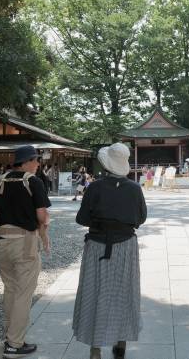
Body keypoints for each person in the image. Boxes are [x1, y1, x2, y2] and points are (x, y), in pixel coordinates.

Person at [72, 143, 147, 359]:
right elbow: (141, 218)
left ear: (106, 165)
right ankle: (121, 343)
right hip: (125, 245)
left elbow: (82, 218)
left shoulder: (95, 187)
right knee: (124, 292)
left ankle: (95, 349)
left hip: (97, 245)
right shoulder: (135, 188)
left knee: (95, 292)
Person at [0, 145, 51, 357]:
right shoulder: (33, 182)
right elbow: (42, 216)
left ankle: (11, 337)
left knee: (10, 289)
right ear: (26, 162)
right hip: (24, 242)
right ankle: (14, 344)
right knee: (23, 293)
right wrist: (44, 226)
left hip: (2, 241)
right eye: (36, 160)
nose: (38, 164)